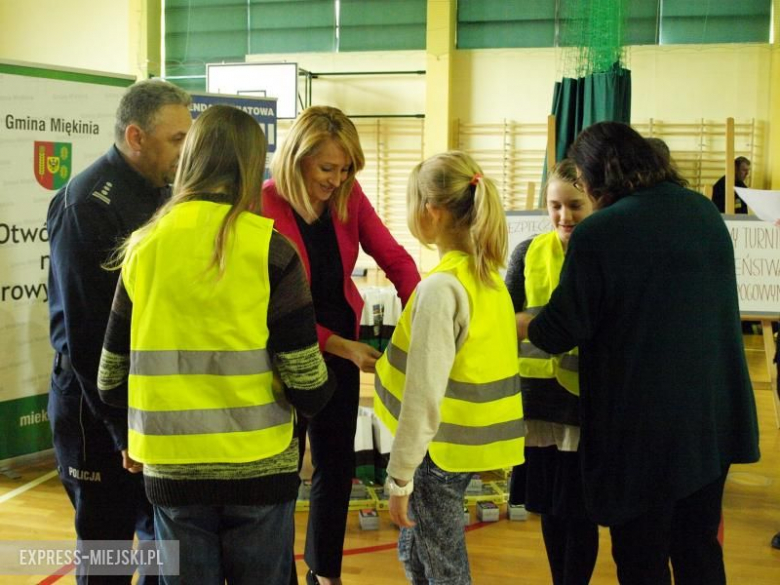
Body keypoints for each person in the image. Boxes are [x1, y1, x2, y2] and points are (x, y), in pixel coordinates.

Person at [97, 105, 335, 585]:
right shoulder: (270, 249)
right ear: (251, 166)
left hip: (171, 473)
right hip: (259, 468)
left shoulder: (143, 247)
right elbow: (307, 383)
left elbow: (110, 381)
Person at [518, 122, 760, 584]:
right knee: (699, 549)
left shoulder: (602, 231)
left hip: (643, 425)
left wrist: (515, 323)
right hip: (713, 414)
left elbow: (559, 330)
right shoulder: (702, 212)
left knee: (641, 556)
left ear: (595, 180)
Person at [262, 105, 420, 585]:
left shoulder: (348, 196)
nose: (338, 179)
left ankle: (325, 572)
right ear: (297, 159)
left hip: (339, 344)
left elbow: (394, 256)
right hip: (286, 345)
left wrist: (423, 311)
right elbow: (272, 309)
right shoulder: (265, 203)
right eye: (327, 168)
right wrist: (341, 347)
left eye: (346, 168)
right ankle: (275, 571)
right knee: (282, 470)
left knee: (334, 464)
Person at [47, 79, 192, 584]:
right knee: (108, 554)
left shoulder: (165, 195)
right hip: (96, 412)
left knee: (159, 547)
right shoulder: (87, 204)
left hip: (148, 406)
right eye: (176, 139)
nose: (185, 149)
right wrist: (119, 428)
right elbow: (87, 338)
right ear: (136, 135)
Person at [374, 151, 526, 584]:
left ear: (431, 210)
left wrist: (400, 477)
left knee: (443, 565)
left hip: (435, 452)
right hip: (467, 447)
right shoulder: (487, 280)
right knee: (416, 549)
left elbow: (423, 397)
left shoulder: (441, 289)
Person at [505, 159, 599, 585]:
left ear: (594, 202)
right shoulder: (526, 253)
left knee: (579, 511)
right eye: (555, 206)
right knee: (548, 506)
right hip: (537, 403)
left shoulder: (603, 253)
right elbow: (506, 317)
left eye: (575, 205)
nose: (565, 216)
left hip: (584, 404)